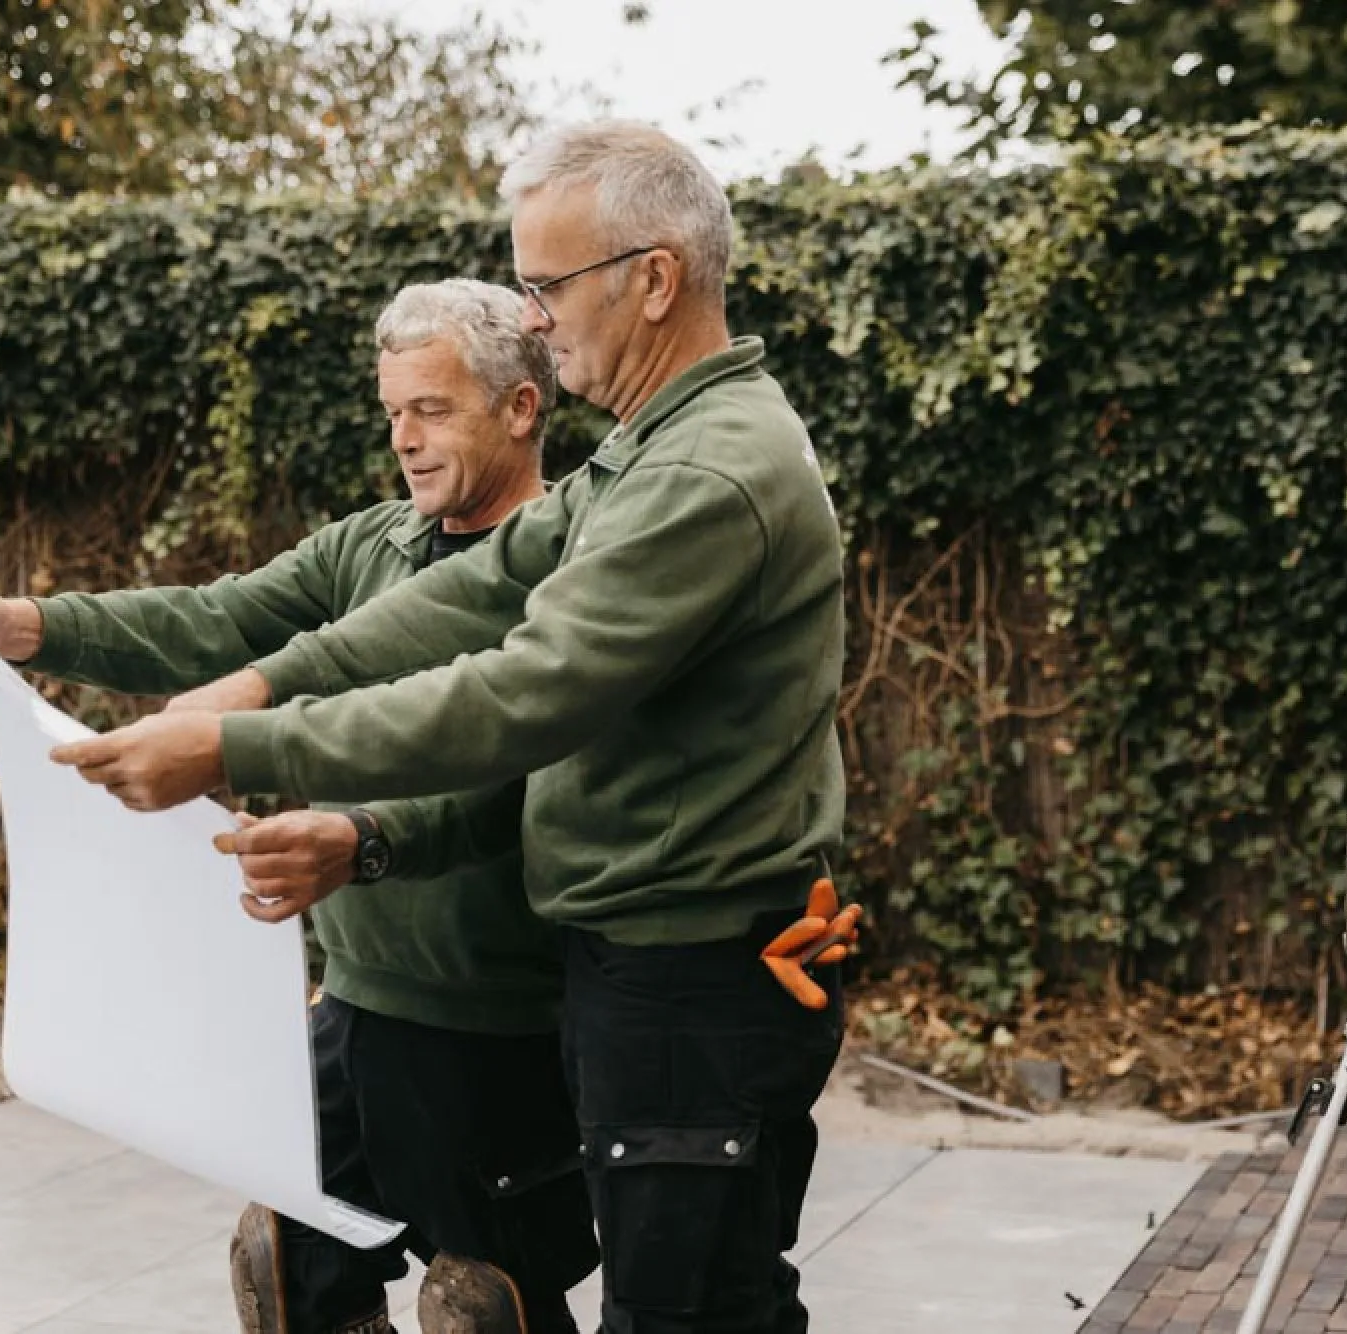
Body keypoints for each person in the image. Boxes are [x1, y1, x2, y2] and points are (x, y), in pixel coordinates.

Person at [54, 122, 851, 1334]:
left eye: (549, 284)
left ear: (653, 279)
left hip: (691, 981)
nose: (535, 314)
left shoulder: (708, 472)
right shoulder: (645, 451)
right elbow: (474, 589)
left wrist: (236, 752)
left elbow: (523, 689)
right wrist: (255, 688)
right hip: (634, 970)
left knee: (689, 1313)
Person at [0, 280, 596, 1334]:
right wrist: (25, 624)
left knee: (481, 1305)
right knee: (280, 1259)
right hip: (356, 995)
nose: (405, 440)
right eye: (392, 412)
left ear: (519, 408)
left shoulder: (573, 560)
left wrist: (365, 839)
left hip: (493, 1015)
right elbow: (213, 618)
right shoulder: (371, 545)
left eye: (433, 409)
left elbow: (539, 779)